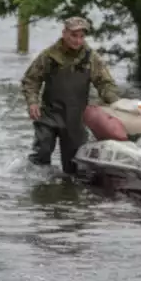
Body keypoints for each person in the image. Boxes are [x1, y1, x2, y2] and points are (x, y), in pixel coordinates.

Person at [22, 17, 121, 174]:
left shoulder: (91, 58)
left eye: (81, 36)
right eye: (73, 36)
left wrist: (116, 104)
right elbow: (31, 80)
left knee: (74, 167)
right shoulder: (49, 56)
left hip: (76, 117)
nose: (77, 40)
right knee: (42, 152)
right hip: (50, 114)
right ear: (64, 34)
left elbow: (105, 83)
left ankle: (68, 194)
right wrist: (32, 102)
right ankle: (36, 188)